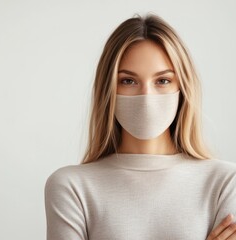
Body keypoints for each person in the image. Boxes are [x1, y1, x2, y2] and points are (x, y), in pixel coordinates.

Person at [44, 13, 236, 240]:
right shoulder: (72, 187)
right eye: (128, 81)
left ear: (182, 88)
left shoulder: (225, 182)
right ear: (108, 90)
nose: (147, 96)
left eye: (163, 81)